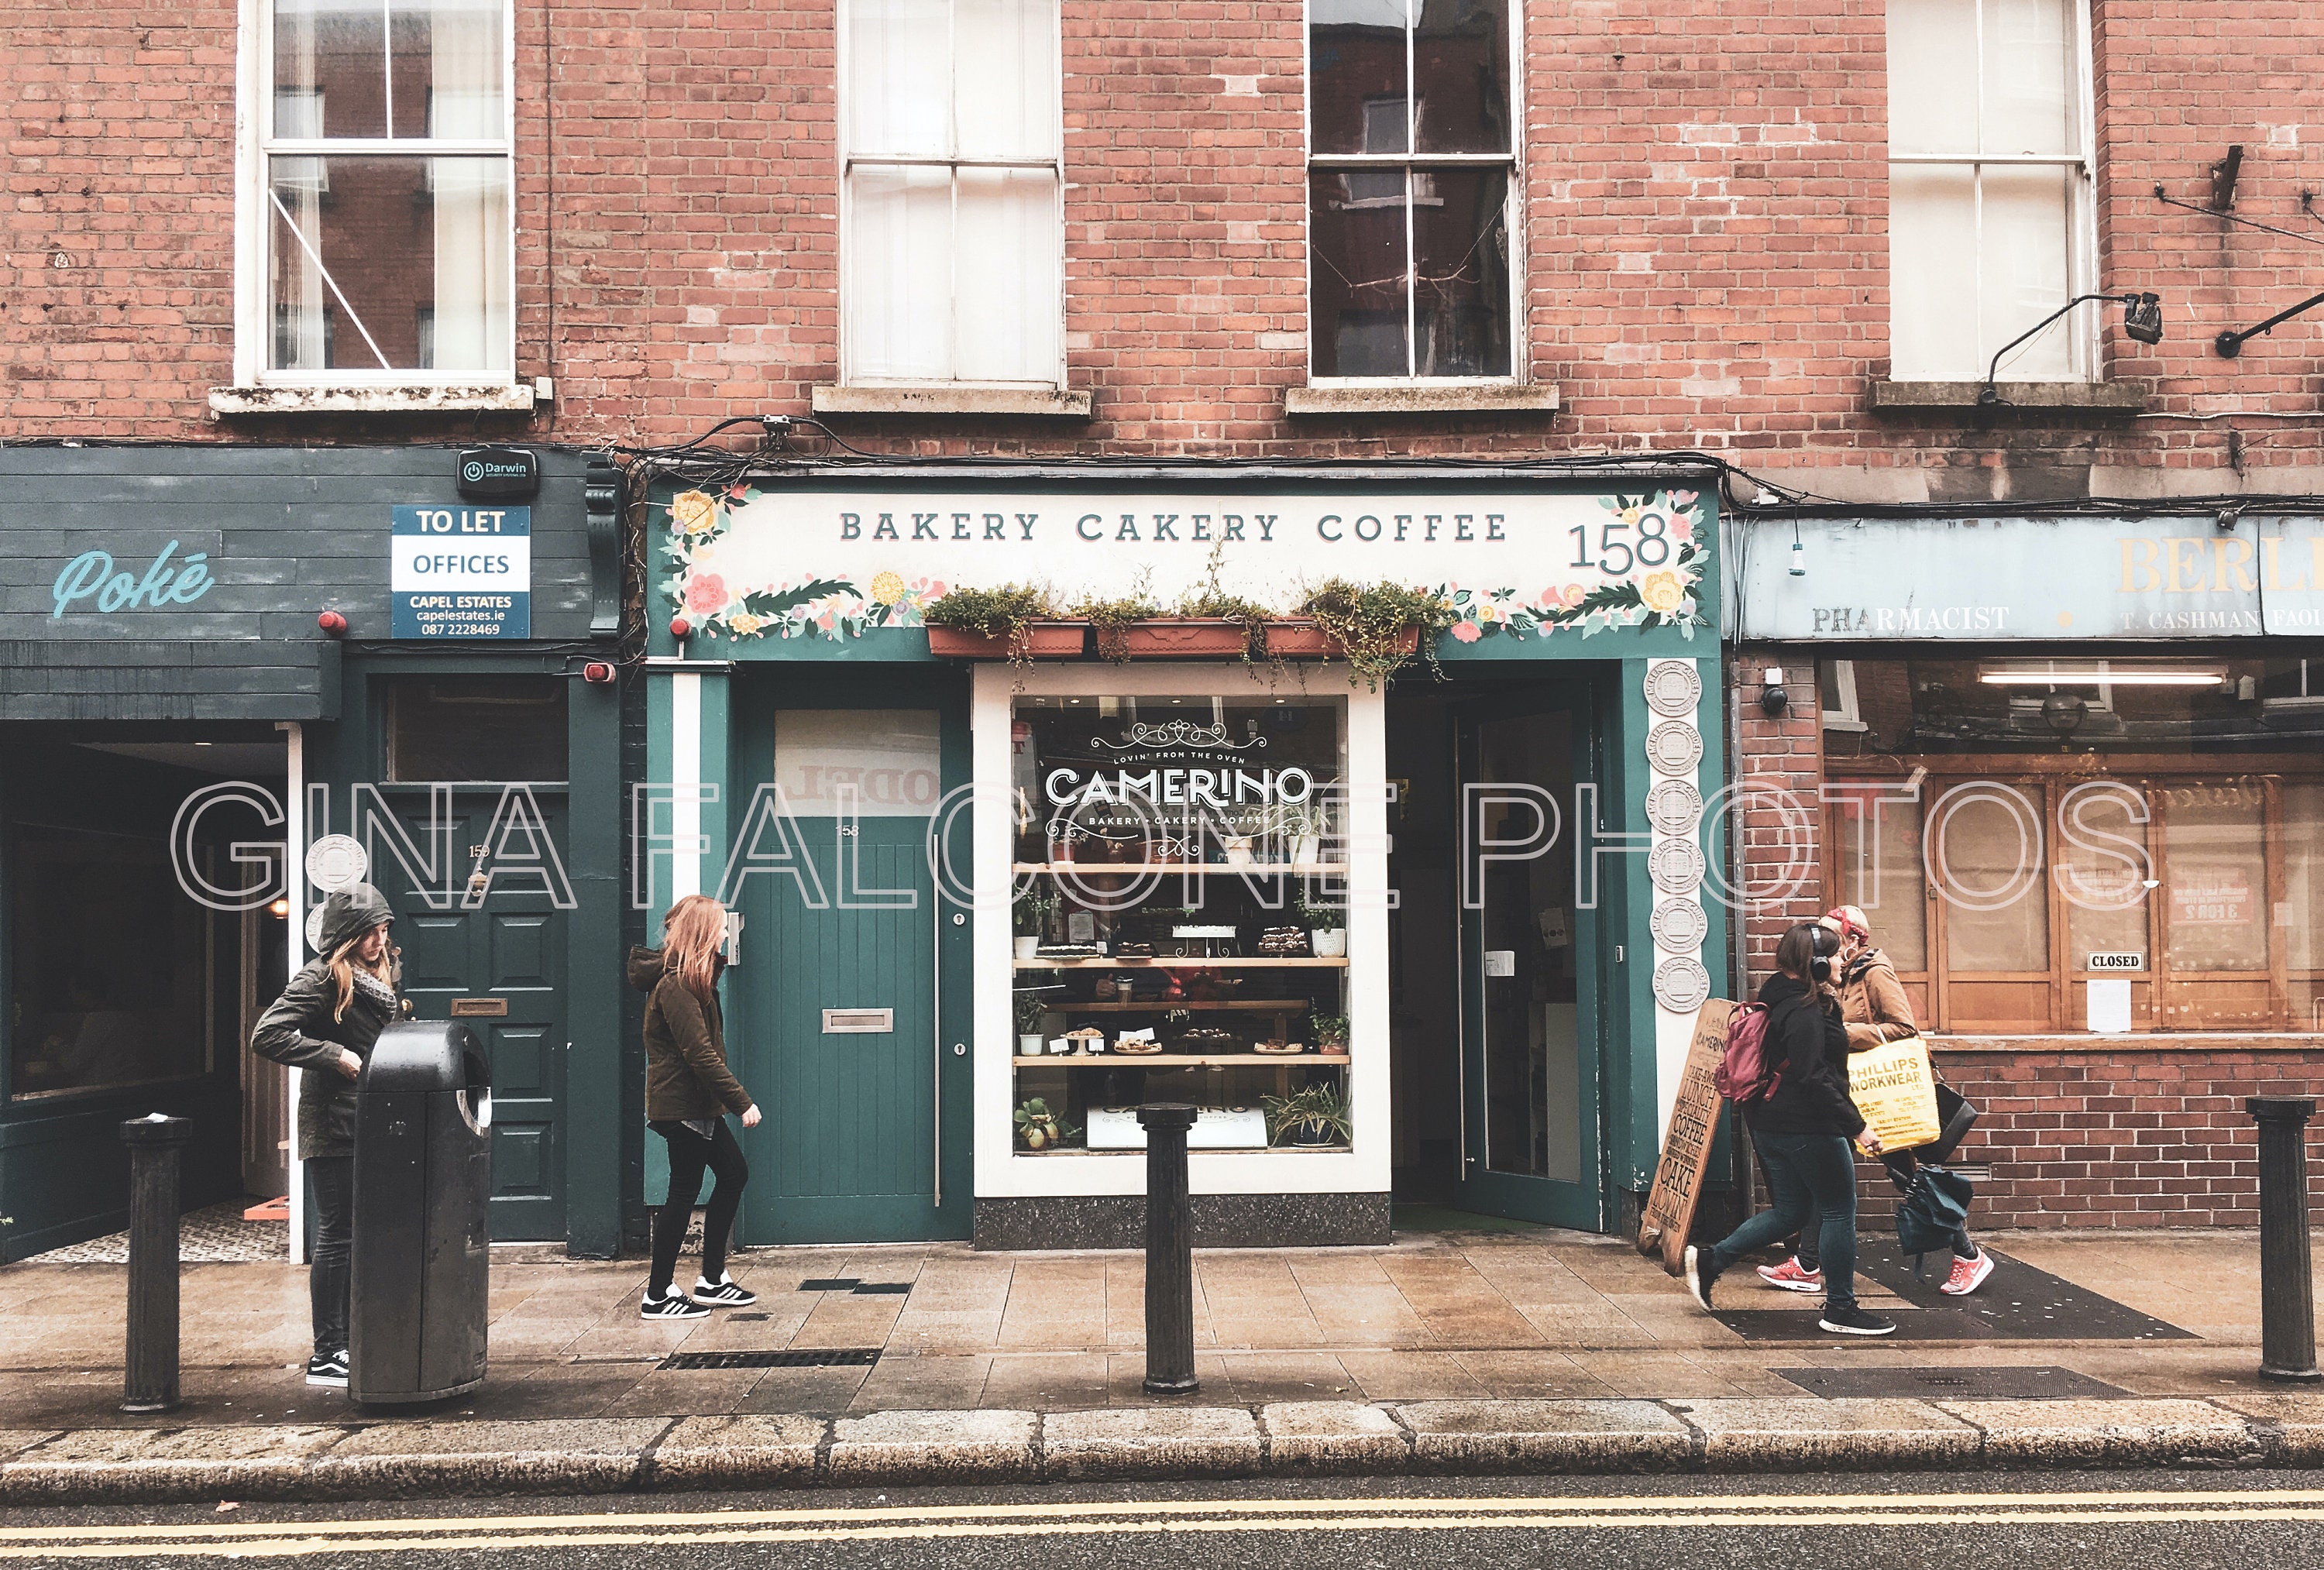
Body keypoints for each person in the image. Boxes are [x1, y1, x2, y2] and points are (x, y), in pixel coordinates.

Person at [1758, 905, 1993, 1298]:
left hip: (1882, 1092)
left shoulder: (1874, 972)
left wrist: (1837, 1033)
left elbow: (1904, 1028)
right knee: (1830, 1178)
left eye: (1832, 937)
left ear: (1853, 941)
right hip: (1849, 1089)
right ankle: (1808, 1264)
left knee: (1909, 1177)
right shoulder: (1833, 978)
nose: (1825, 947)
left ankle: (1968, 1255)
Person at [1686, 922, 1896, 1336]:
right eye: (1835, 955)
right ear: (1814, 963)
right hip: (1807, 1126)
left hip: (1769, 1122)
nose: (1842, 960)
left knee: (1792, 1210)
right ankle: (1840, 1308)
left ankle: (1712, 1261)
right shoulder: (1804, 1012)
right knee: (1838, 1211)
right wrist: (1857, 1127)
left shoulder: (1779, 995)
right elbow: (1814, 1076)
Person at [249, 883, 405, 1388]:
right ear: (345, 934)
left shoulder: (376, 975)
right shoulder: (322, 977)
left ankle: (352, 1336)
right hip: (331, 1122)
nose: (379, 940)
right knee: (336, 1234)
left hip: (368, 1119)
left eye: (383, 929)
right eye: (368, 932)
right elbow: (268, 1033)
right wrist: (333, 1056)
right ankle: (327, 1351)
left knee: (359, 1233)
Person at [628, 894, 761, 1319]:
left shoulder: (693, 979)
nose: (726, 932)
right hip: (683, 1105)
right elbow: (699, 1054)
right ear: (704, 932)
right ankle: (658, 1293)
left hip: (698, 1104)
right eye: (721, 926)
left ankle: (711, 1280)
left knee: (733, 1173)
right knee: (684, 1191)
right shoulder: (677, 985)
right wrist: (741, 1102)